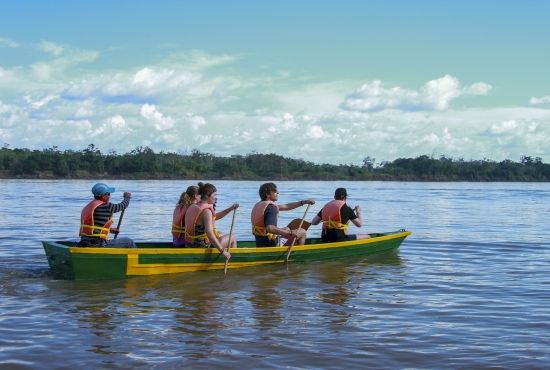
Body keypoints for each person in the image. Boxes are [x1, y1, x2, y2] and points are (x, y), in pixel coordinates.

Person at [184, 182, 238, 259]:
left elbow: (214, 217)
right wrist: (223, 251)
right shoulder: (206, 211)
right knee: (232, 237)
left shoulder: (193, 206)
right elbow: (209, 233)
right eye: (214, 195)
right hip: (202, 246)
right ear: (206, 196)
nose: (216, 198)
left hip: (189, 244)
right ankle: (231, 260)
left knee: (221, 234)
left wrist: (231, 208)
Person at [251, 182, 315, 247]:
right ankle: (297, 254)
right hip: (271, 243)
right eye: (275, 192)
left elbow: (287, 206)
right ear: (268, 194)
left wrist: (303, 202)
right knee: (302, 231)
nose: (278, 193)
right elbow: (270, 228)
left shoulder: (259, 205)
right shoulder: (271, 207)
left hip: (260, 242)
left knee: (287, 228)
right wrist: (291, 233)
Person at [79, 182, 135, 248]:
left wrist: (110, 230)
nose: (109, 196)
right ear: (103, 196)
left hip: (84, 242)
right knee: (129, 242)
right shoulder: (105, 205)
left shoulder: (89, 206)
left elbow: (94, 226)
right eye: (108, 194)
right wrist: (127, 198)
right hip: (98, 243)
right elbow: (122, 206)